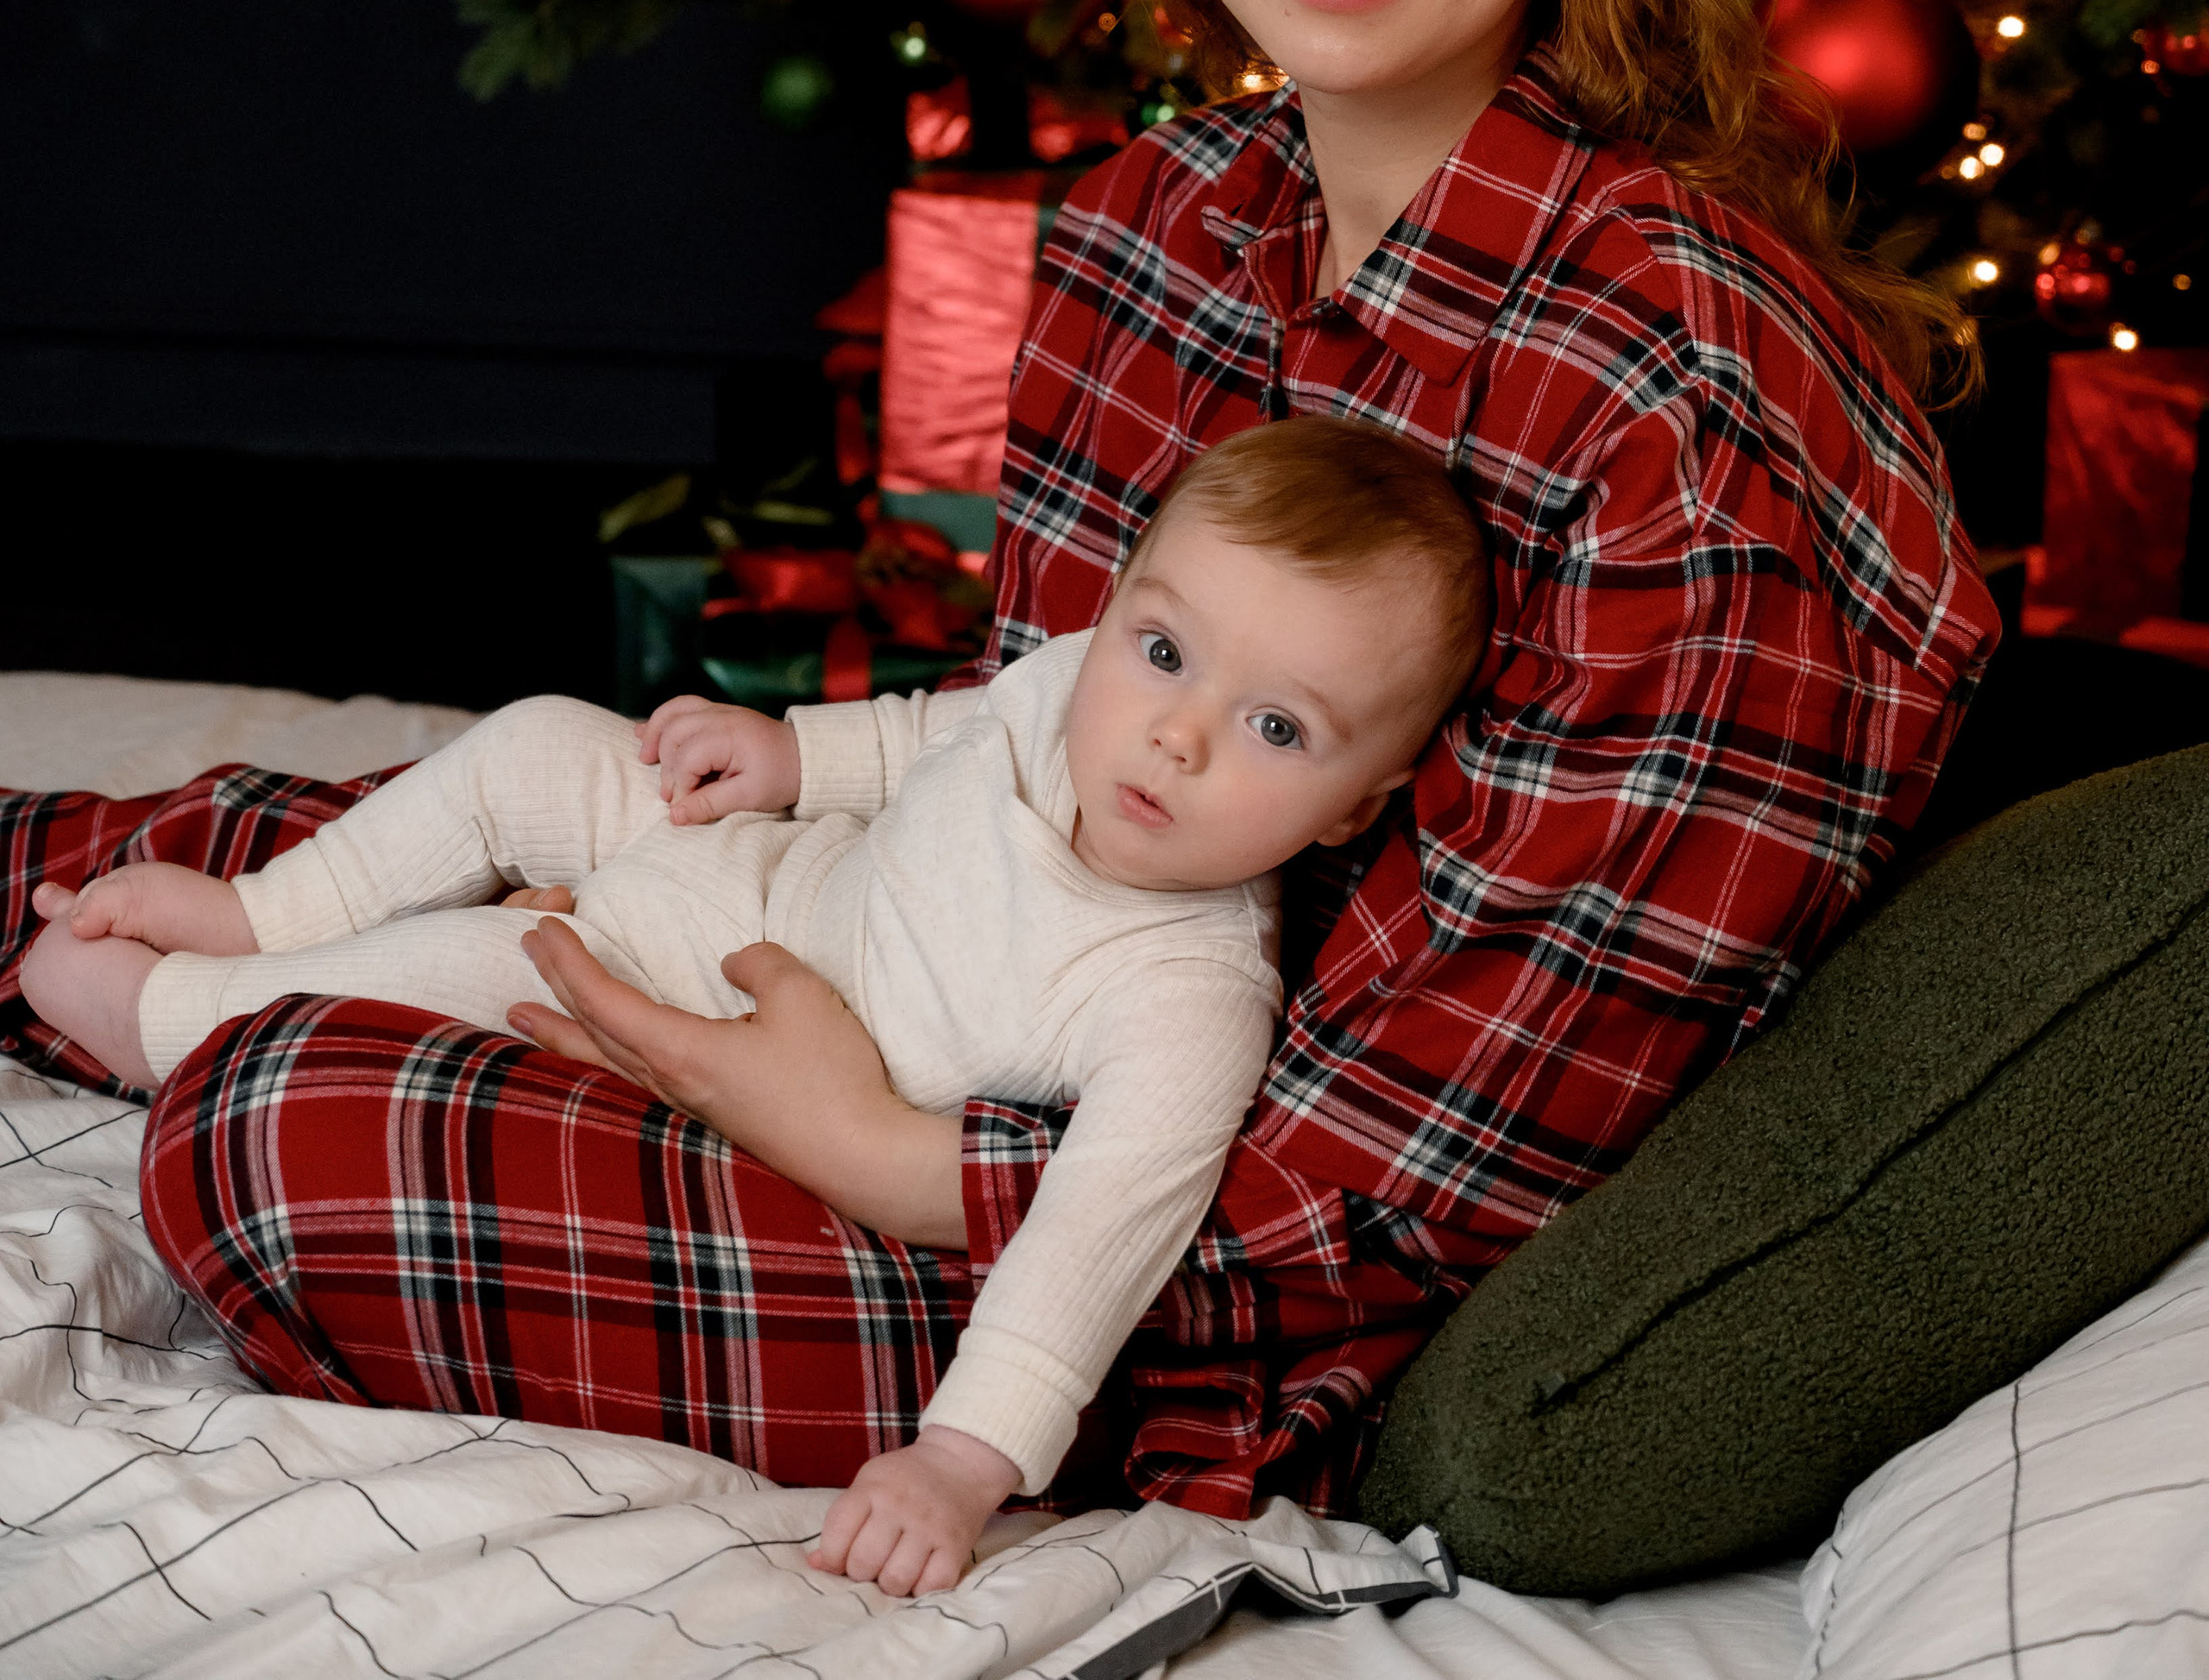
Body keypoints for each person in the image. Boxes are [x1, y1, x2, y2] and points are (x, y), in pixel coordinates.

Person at [0, 0, 1995, 1560]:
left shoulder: (1677, 400)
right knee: (258, 836)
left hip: (1163, 1286)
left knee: (285, 1128)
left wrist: (855, 1138)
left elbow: (1424, 1171)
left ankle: (312, 1036)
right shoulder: (1159, 228)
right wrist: (748, 852)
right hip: (933, 1019)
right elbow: (1027, 751)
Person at [21, 417, 1489, 1594]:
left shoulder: (1183, 996)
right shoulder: (1068, 695)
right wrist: (791, 757)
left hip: (729, 1047)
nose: (1176, 731)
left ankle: (172, 1015)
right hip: (767, 882)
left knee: (484, 985)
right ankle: (270, 909)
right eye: (1163, 652)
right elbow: (948, 728)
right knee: (537, 745)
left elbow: (1090, 1246)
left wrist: (966, 1462)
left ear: (1355, 804)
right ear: (1120, 617)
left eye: (1275, 728)